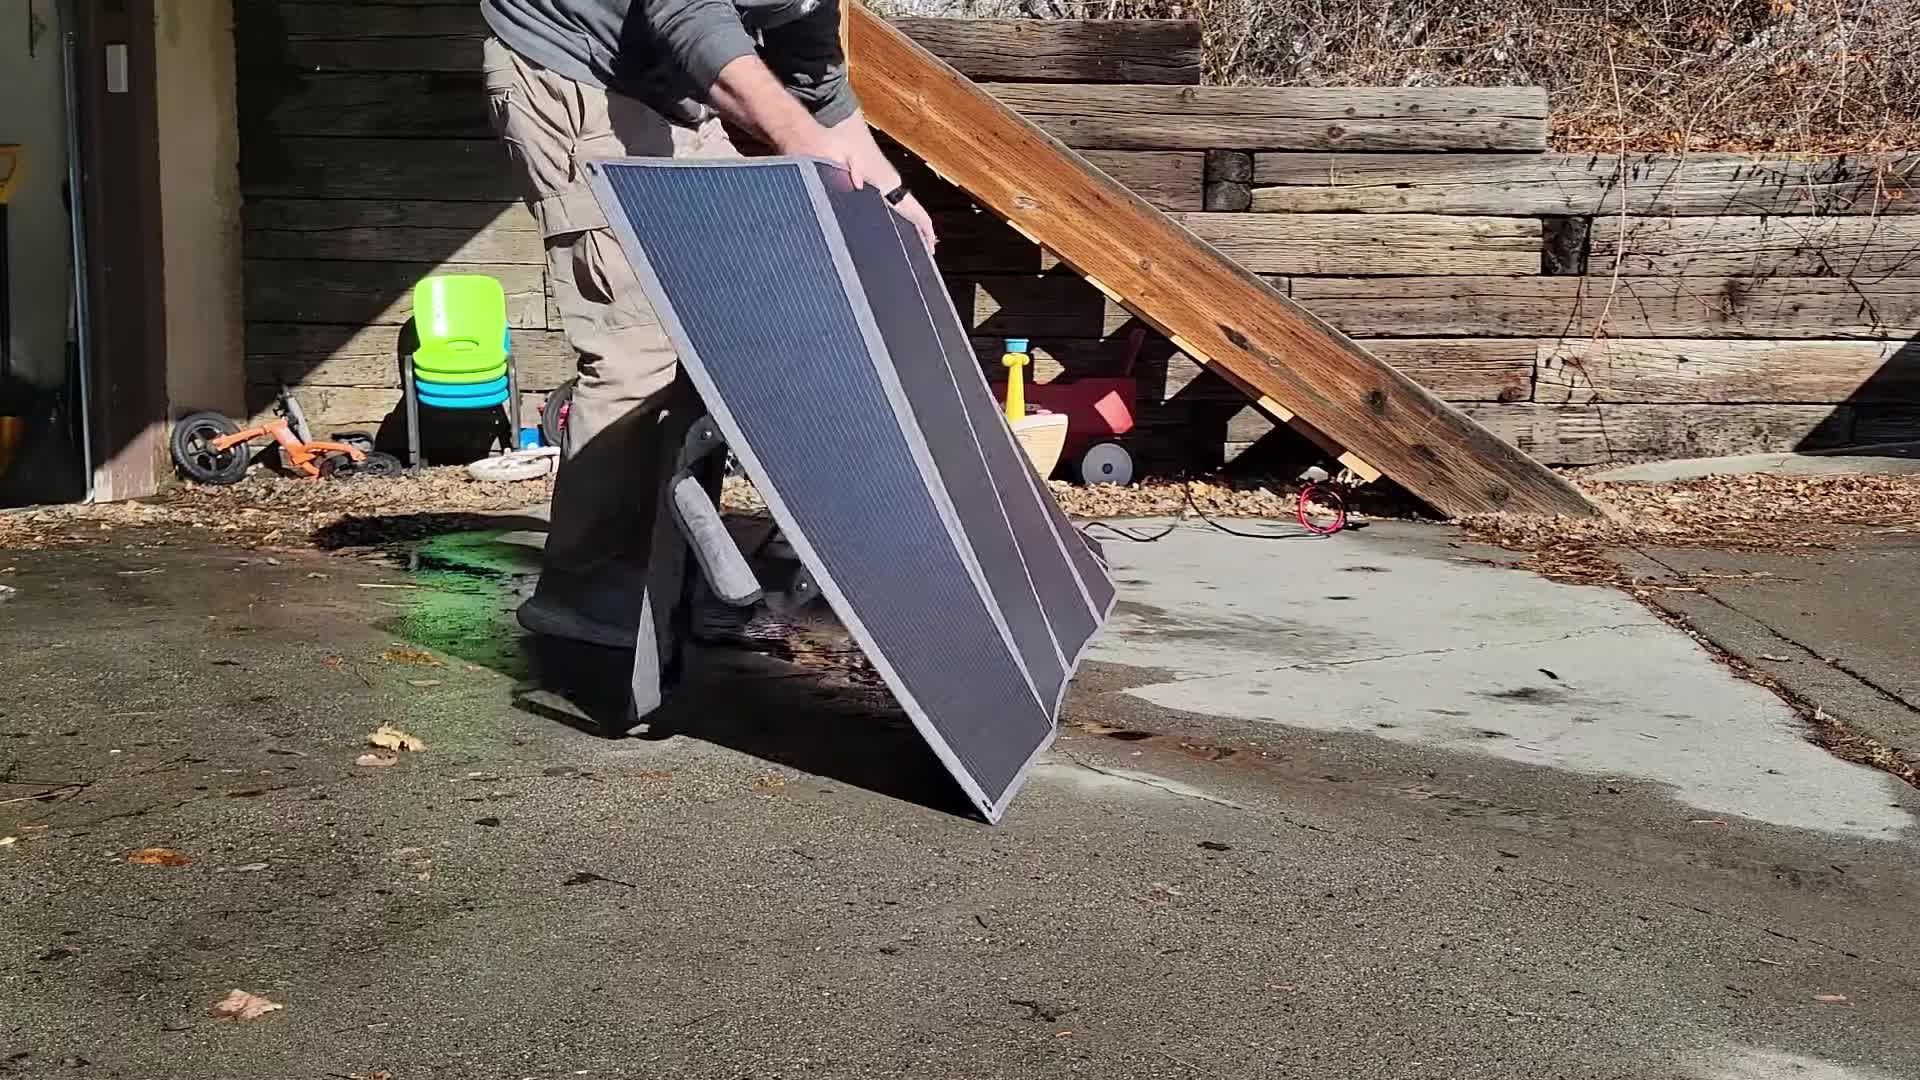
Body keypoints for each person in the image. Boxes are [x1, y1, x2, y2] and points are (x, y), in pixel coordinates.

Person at [480, 0, 935, 649]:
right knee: (639, 336)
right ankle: (585, 583)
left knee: (723, 312)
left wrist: (892, 194)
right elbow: (689, 15)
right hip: (568, 66)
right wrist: (802, 140)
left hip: (668, 89)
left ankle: (673, 570)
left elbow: (817, 77)